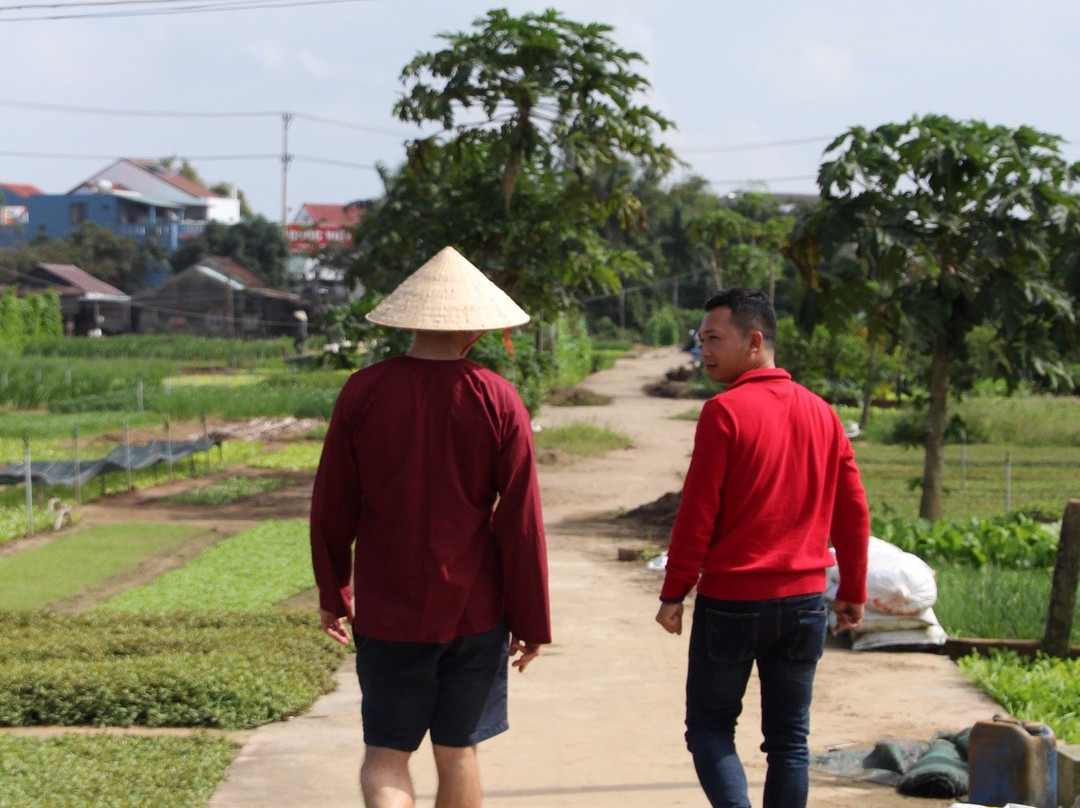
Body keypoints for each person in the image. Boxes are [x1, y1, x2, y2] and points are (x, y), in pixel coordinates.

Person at [310, 246, 551, 808]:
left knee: (386, 755)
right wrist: (531, 619)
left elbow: (332, 505)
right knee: (458, 752)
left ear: (411, 321)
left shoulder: (362, 391)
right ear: (473, 329)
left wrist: (333, 591)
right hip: (475, 611)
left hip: (387, 608)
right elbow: (521, 522)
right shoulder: (498, 398)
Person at [654, 287, 870, 808]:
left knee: (709, 727)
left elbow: (698, 514)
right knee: (790, 741)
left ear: (754, 341)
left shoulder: (724, 412)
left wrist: (675, 591)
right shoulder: (823, 414)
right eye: (702, 339)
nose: (704, 350)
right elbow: (853, 510)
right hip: (804, 605)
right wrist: (852, 591)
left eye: (714, 339)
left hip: (733, 603)